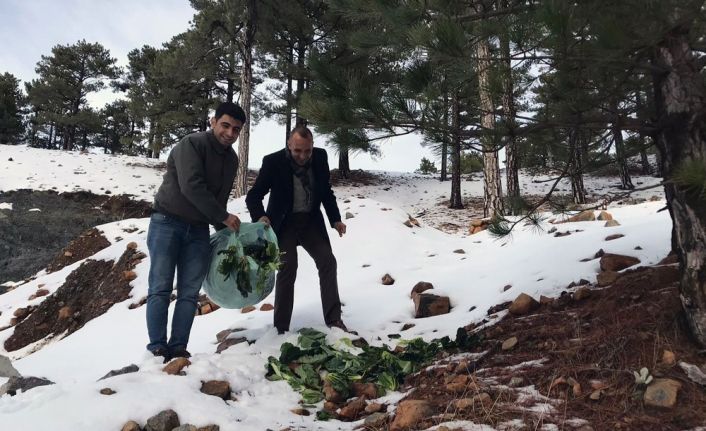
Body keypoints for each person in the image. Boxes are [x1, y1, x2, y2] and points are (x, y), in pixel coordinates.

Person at [146, 101, 246, 361]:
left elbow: (219, 199)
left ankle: (178, 348)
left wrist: (225, 232)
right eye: (225, 125)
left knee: (189, 294)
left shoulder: (232, 160)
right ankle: (157, 348)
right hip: (167, 222)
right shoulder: (192, 144)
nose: (230, 133)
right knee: (160, 288)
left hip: (199, 231)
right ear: (213, 122)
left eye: (236, 130)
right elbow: (191, 186)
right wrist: (223, 217)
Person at [246, 125, 348, 334]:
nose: (303, 156)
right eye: (297, 151)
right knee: (287, 267)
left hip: (310, 222)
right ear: (289, 146)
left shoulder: (320, 157)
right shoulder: (273, 162)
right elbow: (254, 195)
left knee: (328, 261)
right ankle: (280, 328)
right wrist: (261, 217)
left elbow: (326, 191)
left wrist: (335, 219)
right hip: (284, 225)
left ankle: (334, 321)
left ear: (313, 147)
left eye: (307, 151)